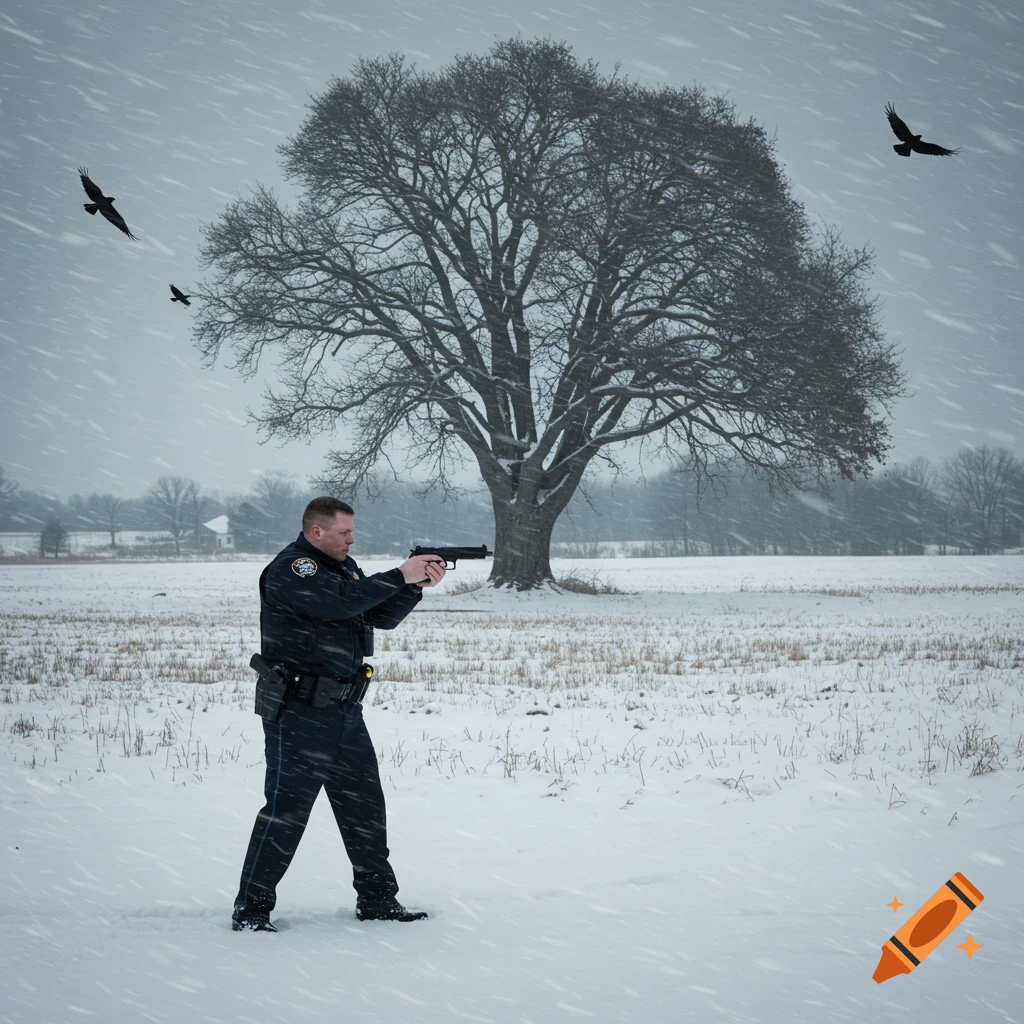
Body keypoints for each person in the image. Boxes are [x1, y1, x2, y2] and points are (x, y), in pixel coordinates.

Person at [232, 496, 445, 932]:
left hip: (346, 711)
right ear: (317, 532)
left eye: (351, 532)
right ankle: (251, 912)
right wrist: (398, 573)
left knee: (365, 811)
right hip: (299, 713)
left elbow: (377, 615)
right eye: (344, 532)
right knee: (285, 815)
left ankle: (378, 901)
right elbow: (339, 604)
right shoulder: (295, 569)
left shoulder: (342, 569)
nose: (352, 539)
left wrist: (413, 587)